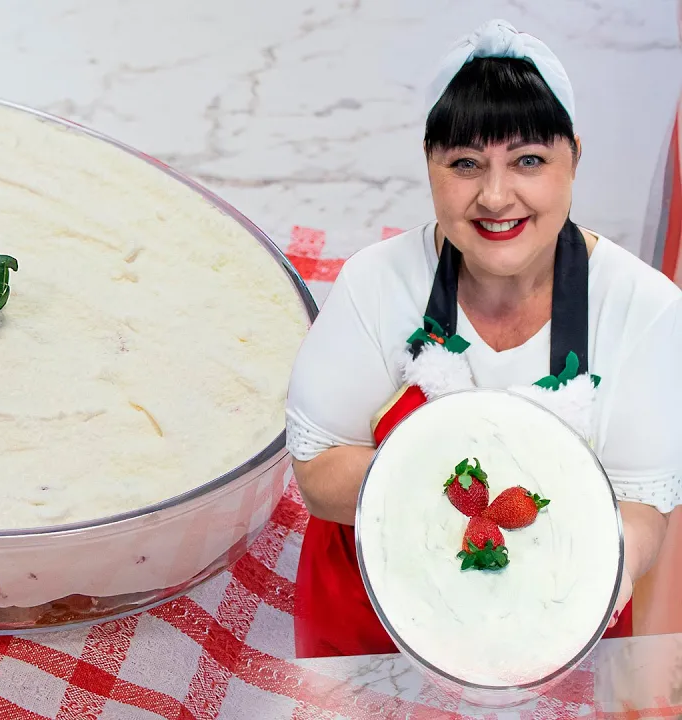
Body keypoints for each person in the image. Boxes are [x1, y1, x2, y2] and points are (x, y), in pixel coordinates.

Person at [284, 19, 682, 659]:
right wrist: (475, 508)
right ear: (430, 165)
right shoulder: (376, 283)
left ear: (574, 157)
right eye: (466, 164)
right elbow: (320, 474)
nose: (497, 197)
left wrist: (573, 601)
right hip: (369, 620)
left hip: (555, 626)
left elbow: (640, 510)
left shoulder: (648, 312)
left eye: (529, 160)